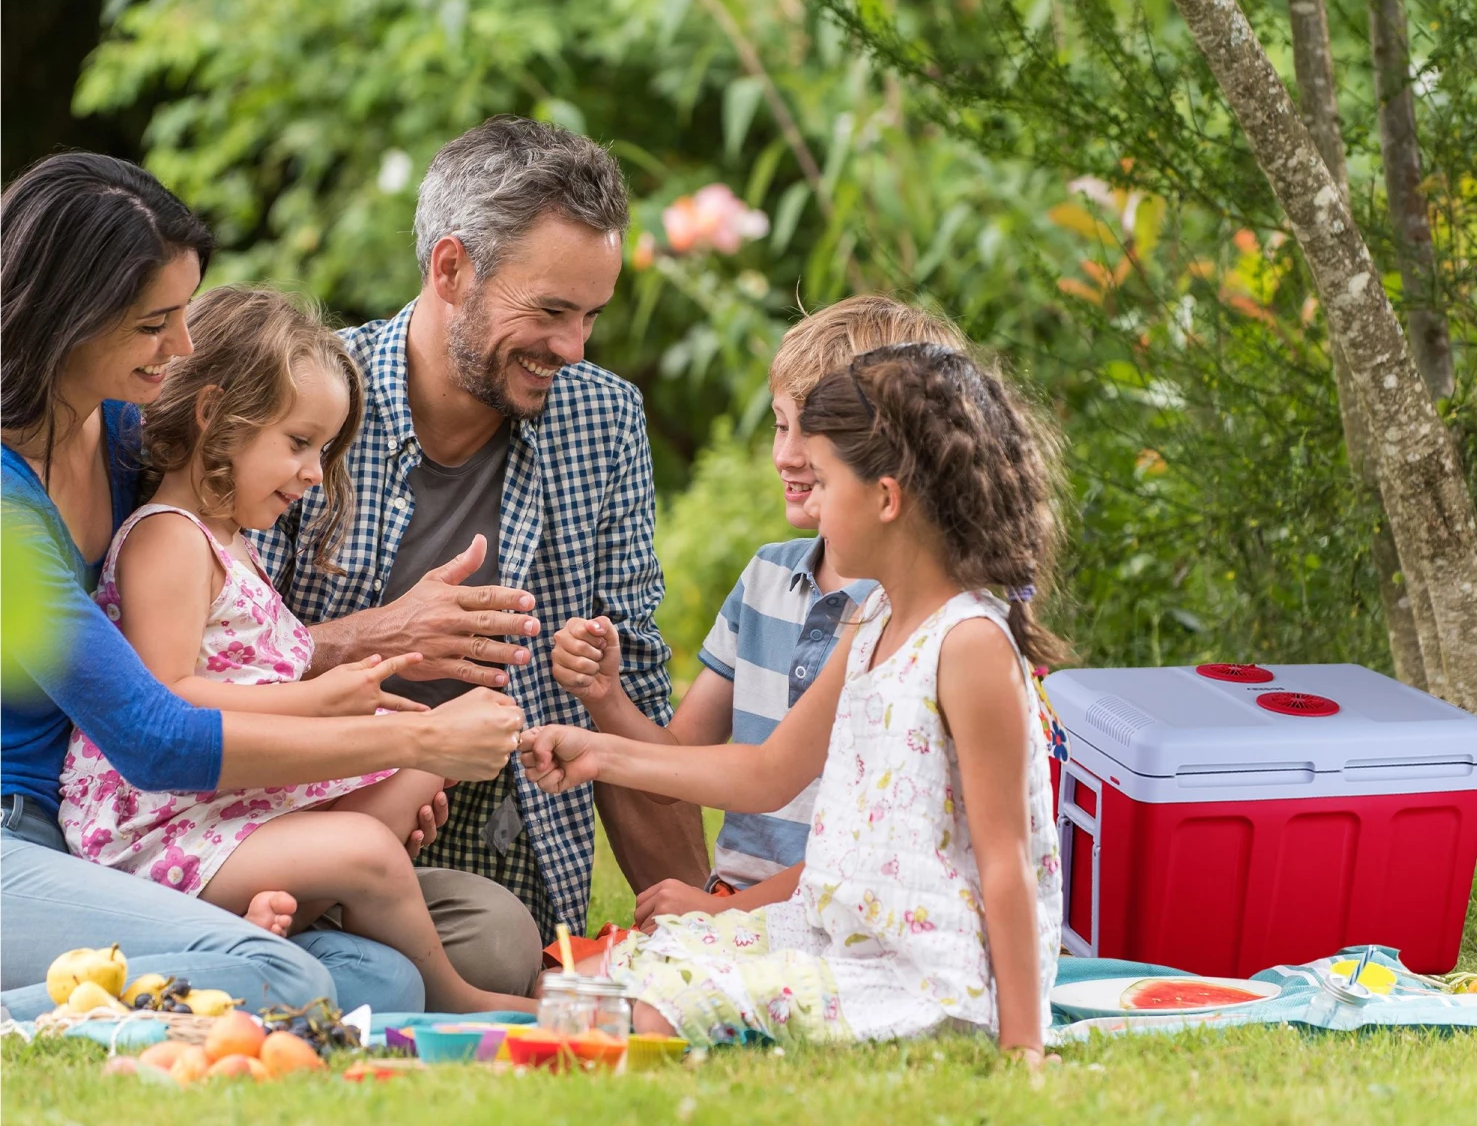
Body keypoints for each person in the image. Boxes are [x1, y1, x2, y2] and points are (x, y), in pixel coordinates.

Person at [1, 153, 523, 1020]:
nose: (183, 346)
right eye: (154, 323)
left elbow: (219, 645)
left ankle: (182, 955)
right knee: (288, 981)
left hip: (122, 835)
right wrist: (418, 740)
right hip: (21, 837)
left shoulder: (125, 439)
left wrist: (374, 703)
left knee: (389, 981)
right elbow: (155, 734)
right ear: (68, 317)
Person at [521, 343, 1067, 1062]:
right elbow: (767, 772)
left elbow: (1006, 861)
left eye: (827, 480)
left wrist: (1023, 1045)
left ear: (886, 498)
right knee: (590, 980)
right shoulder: (876, 620)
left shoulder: (968, 644)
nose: (813, 500)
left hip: (925, 982)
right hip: (834, 936)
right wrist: (598, 752)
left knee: (637, 1014)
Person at [251, 117, 706, 940]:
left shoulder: (603, 420)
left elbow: (630, 692)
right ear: (451, 269)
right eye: (551, 310)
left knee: (500, 947)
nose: (573, 347)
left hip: (498, 840)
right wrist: (383, 636)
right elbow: (212, 666)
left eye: (591, 316)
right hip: (292, 818)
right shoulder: (300, 401)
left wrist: (704, 935)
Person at [549, 297, 968, 924]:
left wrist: (726, 915)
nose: (787, 456)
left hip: (833, 916)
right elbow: (686, 767)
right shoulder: (767, 579)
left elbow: (868, 849)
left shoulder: (909, 622)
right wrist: (605, 698)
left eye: (813, 436)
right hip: (741, 906)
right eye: (780, 425)